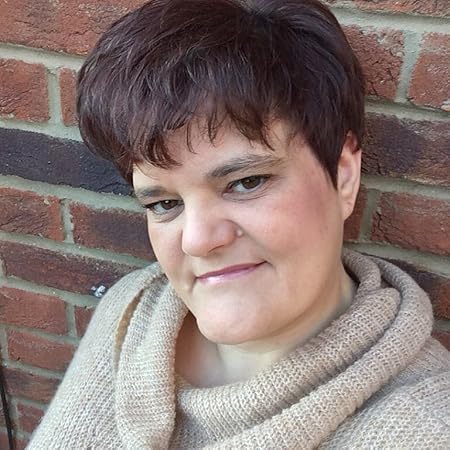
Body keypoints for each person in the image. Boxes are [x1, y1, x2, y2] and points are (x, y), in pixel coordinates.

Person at [28, 0, 450, 448]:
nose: (197, 241)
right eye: (165, 203)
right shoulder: (132, 311)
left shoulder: (425, 431)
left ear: (343, 175)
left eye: (246, 182)